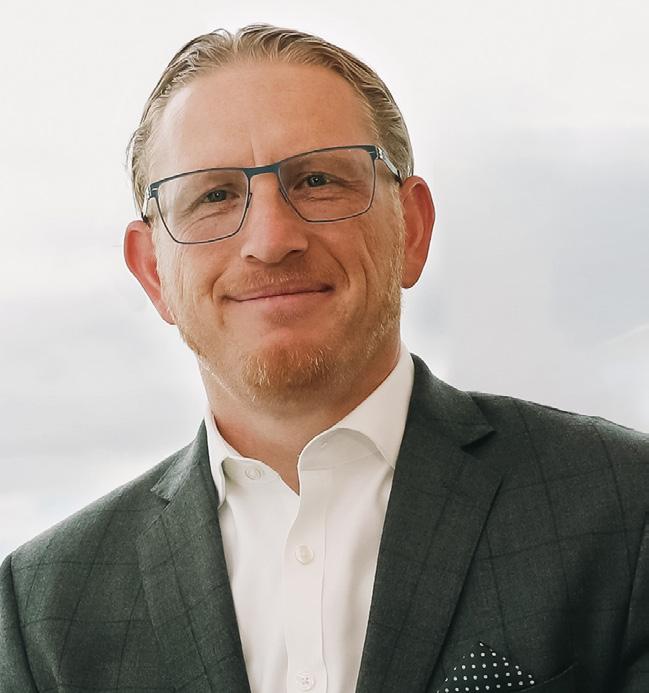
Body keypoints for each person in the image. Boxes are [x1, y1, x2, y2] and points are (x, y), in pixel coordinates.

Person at [1, 23, 647, 693]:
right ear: (152, 273)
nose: (271, 239)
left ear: (412, 229)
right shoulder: (40, 609)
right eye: (214, 195)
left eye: (317, 180)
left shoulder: (625, 508)